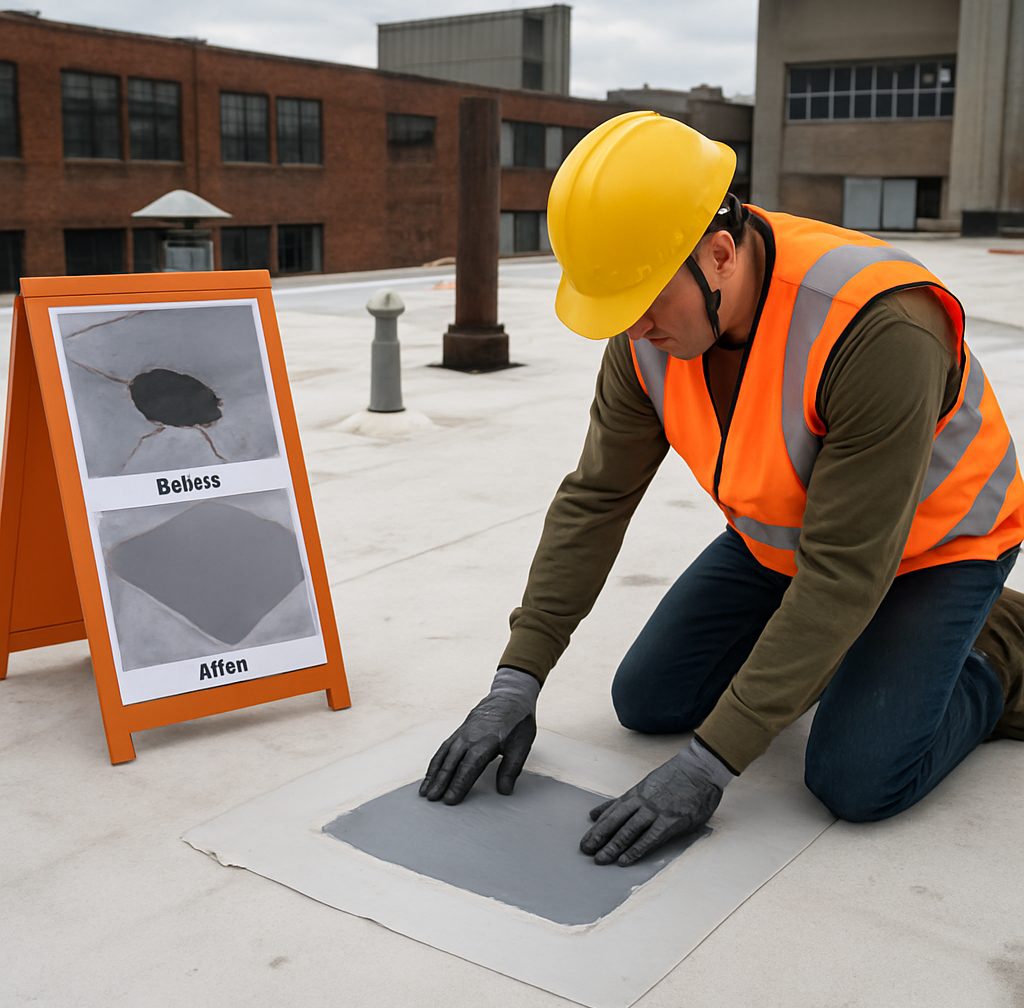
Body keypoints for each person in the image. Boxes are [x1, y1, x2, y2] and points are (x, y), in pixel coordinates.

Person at [419, 110, 1024, 866]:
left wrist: (711, 767)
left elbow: (845, 570)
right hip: (786, 542)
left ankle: (994, 646)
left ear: (720, 253)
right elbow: (597, 497)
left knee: (857, 778)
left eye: (643, 302)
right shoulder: (646, 333)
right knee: (649, 702)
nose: (633, 328)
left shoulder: (879, 328)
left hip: (935, 548)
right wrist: (516, 681)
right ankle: (856, 652)